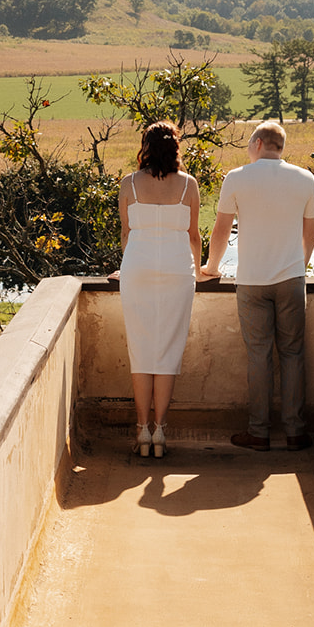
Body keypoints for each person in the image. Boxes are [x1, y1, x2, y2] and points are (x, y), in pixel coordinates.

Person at [200, 120, 314, 451]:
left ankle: (259, 432)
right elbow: (309, 237)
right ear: (280, 147)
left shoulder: (236, 178)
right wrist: (297, 267)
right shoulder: (305, 179)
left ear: (256, 144)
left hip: (251, 281)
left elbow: (221, 232)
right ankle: (296, 433)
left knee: (259, 355)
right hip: (292, 279)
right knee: (293, 353)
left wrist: (211, 268)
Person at [113, 120, 201, 458]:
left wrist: (129, 264)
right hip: (178, 271)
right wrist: (201, 268)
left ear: (145, 147)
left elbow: (126, 233)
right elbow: (194, 236)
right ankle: (160, 430)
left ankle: (141, 429)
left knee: (141, 348)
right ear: (175, 147)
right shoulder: (188, 185)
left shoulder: (129, 184)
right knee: (168, 350)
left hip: (137, 270)